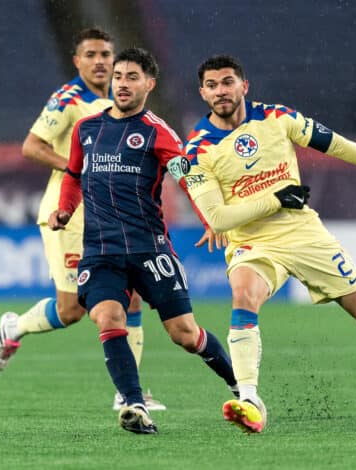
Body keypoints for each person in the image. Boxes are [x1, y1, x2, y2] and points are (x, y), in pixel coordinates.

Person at [183, 55, 356, 433]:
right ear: (202, 93)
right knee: (243, 295)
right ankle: (249, 399)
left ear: (244, 85)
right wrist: (277, 198)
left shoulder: (277, 118)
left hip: (304, 234)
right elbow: (217, 219)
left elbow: (338, 145)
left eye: (227, 82)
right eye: (212, 85)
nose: (220, 91)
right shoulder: (197, 150)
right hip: (254, 242)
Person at [48, 47, 238, 434]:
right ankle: (134, 405)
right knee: (107, 315)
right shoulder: (87, 129)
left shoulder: (157, 132)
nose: (121, 83)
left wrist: (210, 220)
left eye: (132, 77)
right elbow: (72, 175)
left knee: (185, 334)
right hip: (101, 251)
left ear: (149, 84)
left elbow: (188, 178)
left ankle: (241, 386)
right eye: (118, 76)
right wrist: (65, 209)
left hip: (148, 248)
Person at [0, 28, 165, 411]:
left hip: (109, 215)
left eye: (106, 54)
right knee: (72, 309)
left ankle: (129, 394)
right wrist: (78, 170)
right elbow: (31, 146)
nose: (100, 61)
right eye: (91, 54)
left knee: (131, 297)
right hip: (68, 216)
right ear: (77, 61)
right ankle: (14, 327)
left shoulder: (119, 102)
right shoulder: (68, 100)